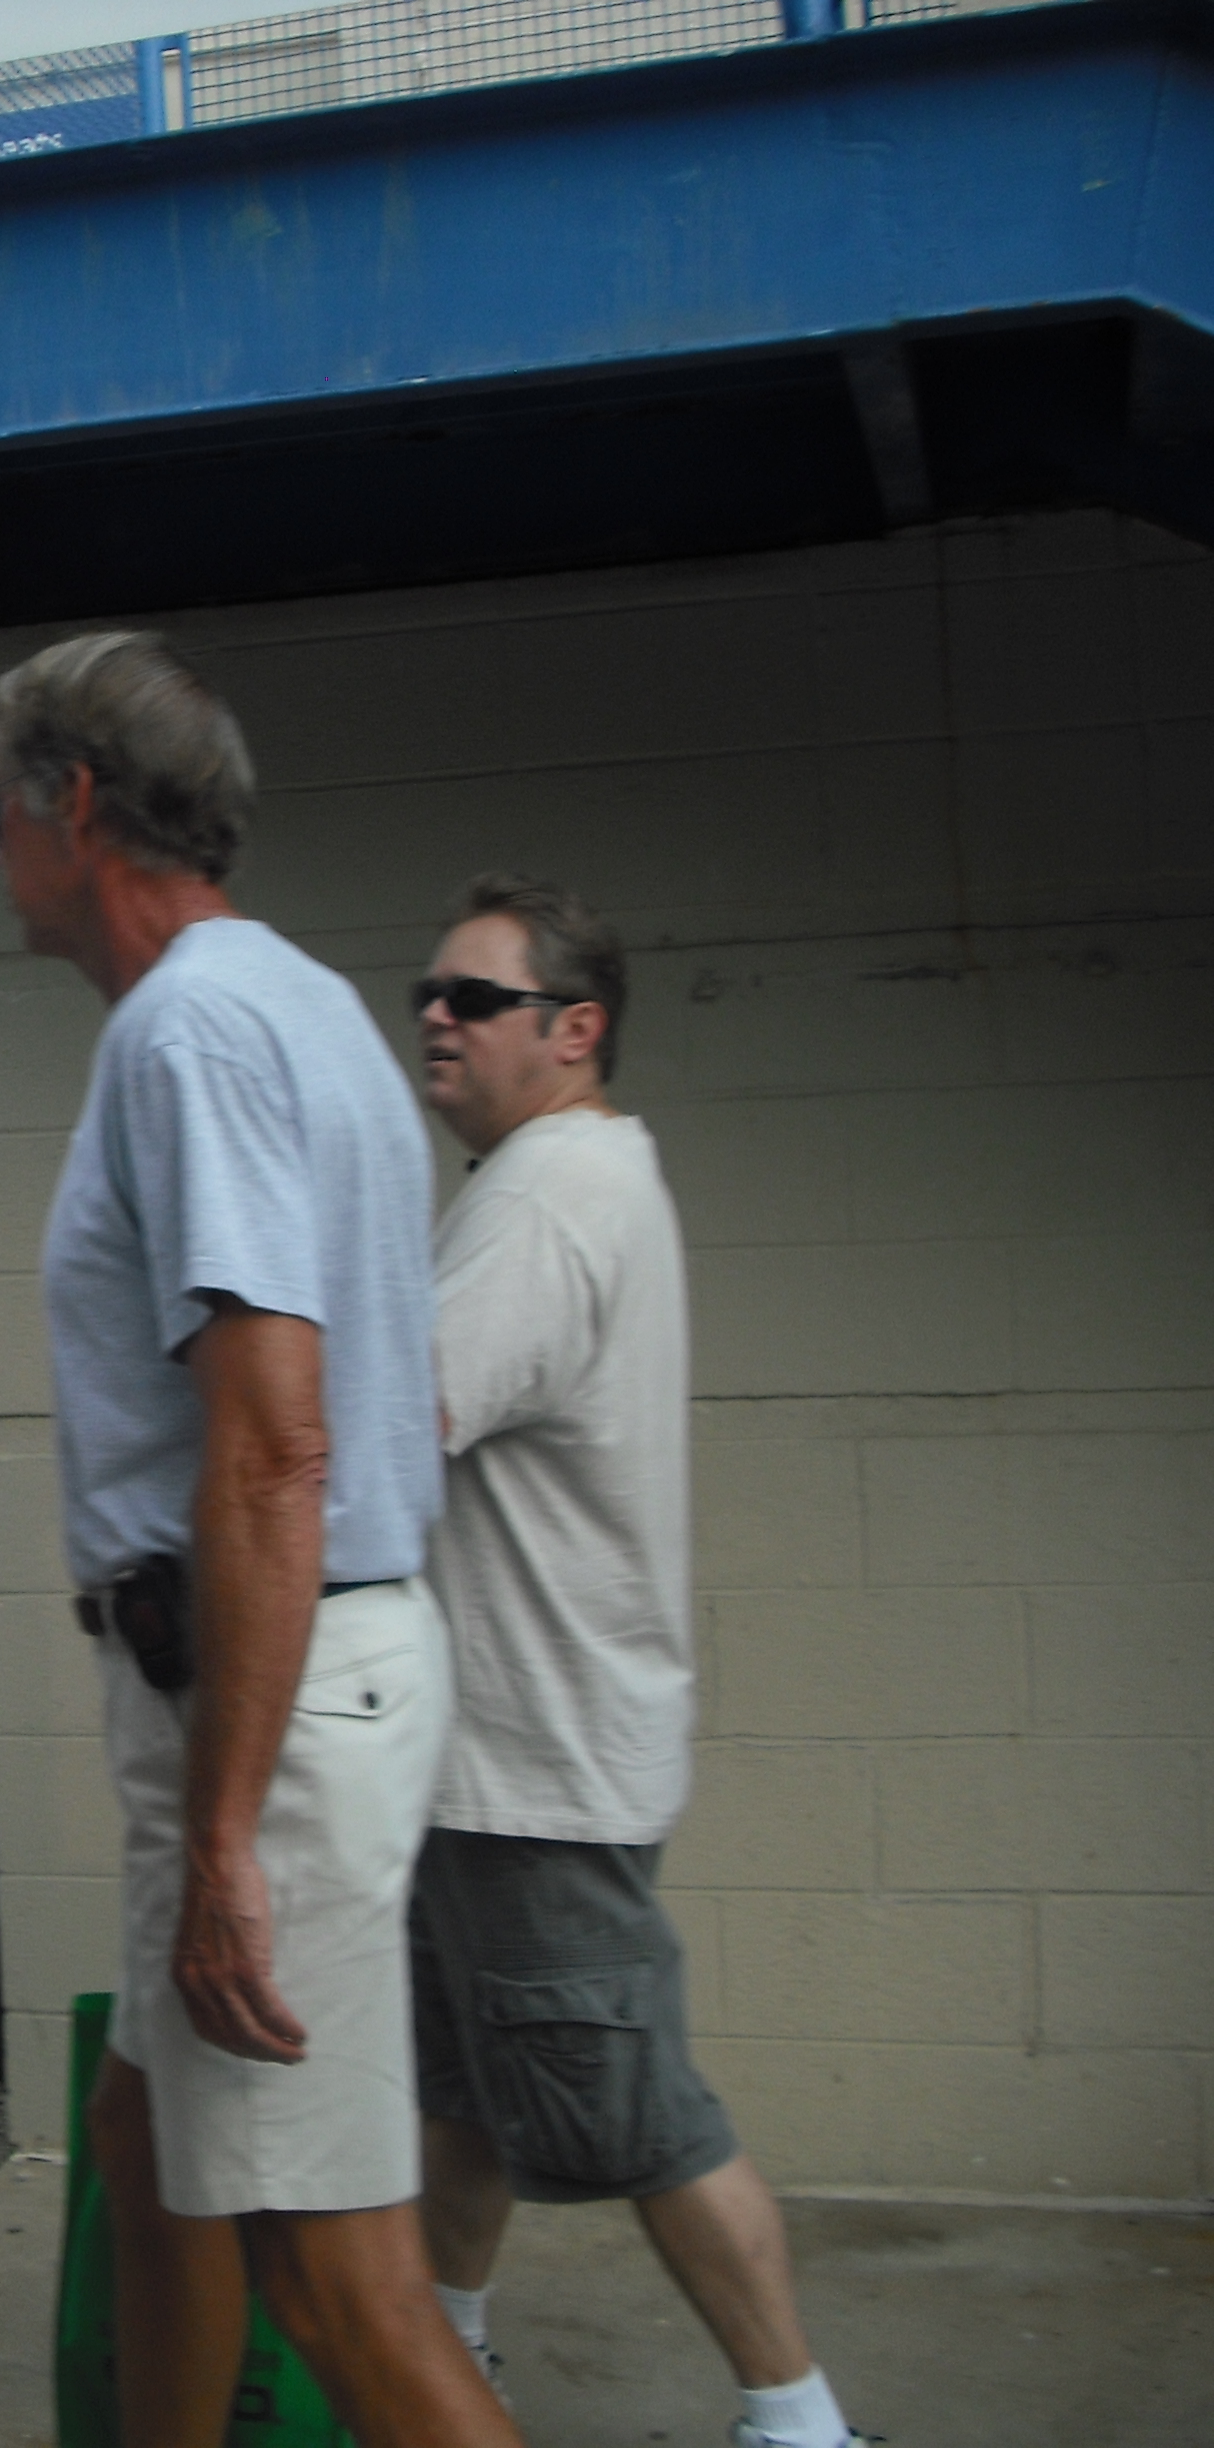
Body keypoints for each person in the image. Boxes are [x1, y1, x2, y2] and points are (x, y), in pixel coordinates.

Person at [0, 631, 517, 2448]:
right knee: (146, 2147)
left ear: (70, 801)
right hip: (288, 1680)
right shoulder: (288, 1002)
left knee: (334, 2280)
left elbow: (277, 1445)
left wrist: (224, 1837)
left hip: (265, 1710)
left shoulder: (191, 1033)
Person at [410, 877, 870, 2448]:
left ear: (575, 1029)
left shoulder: (547, 1195)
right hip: (488, 1763)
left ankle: (798, 2423)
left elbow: (390, 1430)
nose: (437, 1018)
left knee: (642, 2118)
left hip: (529, 1774)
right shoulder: (569, 1178)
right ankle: (448, 2362)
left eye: (476, 998)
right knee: (466, 2094)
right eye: (430, 994)